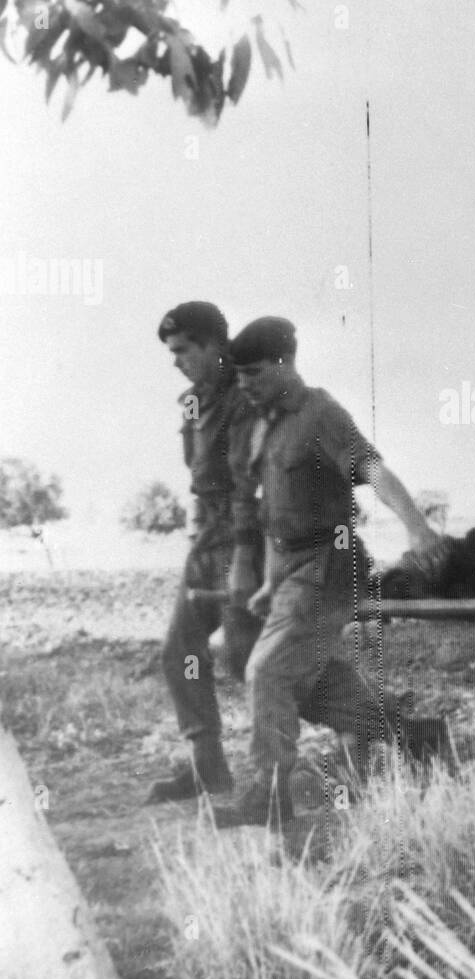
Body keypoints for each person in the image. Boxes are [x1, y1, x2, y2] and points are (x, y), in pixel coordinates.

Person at [213, 317, 451, 829]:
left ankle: (269, 794)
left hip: (329, 566)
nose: (244, 384)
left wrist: (417, 528)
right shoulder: (263, 426)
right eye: (238, 376)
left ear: (283, 363)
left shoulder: (320, 413)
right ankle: (418, 737)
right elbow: (276, 518)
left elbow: (373, 470)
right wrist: (269, 586)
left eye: (253, 373)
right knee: (305, 679)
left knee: (267, 671)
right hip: (291, 571)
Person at [147, 302, 262, 803]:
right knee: (182, 651)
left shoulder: (247, 396)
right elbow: (198, 480)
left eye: (182, 351)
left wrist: (243, 559)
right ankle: (207, 768)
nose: (176, 361)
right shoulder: (194, 402)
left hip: (247, 545)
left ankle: (384, 726)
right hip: (207, 541)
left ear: (213, 344)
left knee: (251, 660)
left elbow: (248, 486)